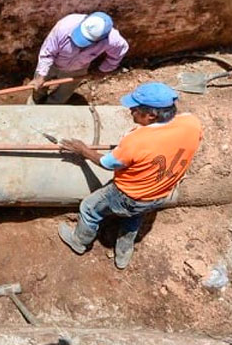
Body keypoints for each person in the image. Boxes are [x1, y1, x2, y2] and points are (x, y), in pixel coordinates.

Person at [57, 82, 202, 269]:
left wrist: (83, 150)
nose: (131, 111)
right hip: (160, 194)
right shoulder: (192, 123)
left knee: (89, 208)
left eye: (135, 109)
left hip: (127, 195)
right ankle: (124, 250)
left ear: (151, 115)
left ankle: (79, 242)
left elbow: (106, 163)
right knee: (134, 218)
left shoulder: (136, 141)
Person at [28, 12, 129, 105]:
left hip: (77, 70)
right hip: (51, 65)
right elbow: (47, 52)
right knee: (38, 87)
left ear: (102, 38)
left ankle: (51, 106)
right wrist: (41, 75)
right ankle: (36, 100)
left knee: (63, 94)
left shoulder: (113, 40)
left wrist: (103, 70)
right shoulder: (64, 27)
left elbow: (120, 51)